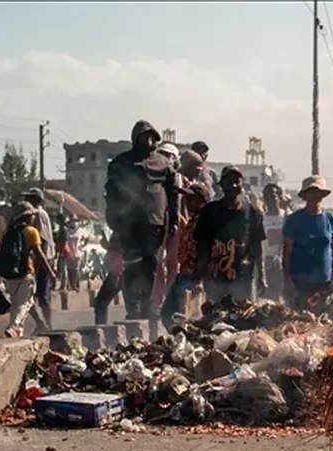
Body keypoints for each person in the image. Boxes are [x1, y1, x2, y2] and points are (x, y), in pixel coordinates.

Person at [105, 120, 178, 321]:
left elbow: (172, 193)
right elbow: (111, 192)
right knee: (131, 264)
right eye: (144, 137)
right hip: (129, 222)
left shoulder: (163, 163)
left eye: (151, 137)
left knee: (151, 264)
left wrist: (173, 219)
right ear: (135, 139)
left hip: (155, 222)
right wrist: (112, 216)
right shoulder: (121, 163)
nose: (148, 141)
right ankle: (133, 307)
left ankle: (147, 305)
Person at [195, 166, 267, 303]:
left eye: (237, 181)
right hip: (215, 277)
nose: (233, 185)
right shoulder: (209, 211)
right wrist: (200, 274)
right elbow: (202, 245)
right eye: (229, 181)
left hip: (243, 278)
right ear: (221, 185)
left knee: (242, 316)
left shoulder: (252, 212)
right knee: (215, 316)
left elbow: (258, 246)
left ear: (242, 184)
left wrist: (262, 275)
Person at [160, 150, 213, 326]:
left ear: (202, 201)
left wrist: (199, 279)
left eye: (192, 199)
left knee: (185, 319)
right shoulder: (190, 220)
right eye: (187, 198)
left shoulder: (204, 223)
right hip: (182, 275)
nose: (188, 202)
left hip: (193, 277)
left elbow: (205, 252)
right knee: (167, 314)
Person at [282, 176, 333, 313]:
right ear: (305, 195)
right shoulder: (294, 220)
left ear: (323, 195)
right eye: (311, 192)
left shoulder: (331, 219)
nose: (315, 195)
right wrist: (288, 282)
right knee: (301, 322)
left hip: (324, 282)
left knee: (322, 323)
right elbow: (287, 253)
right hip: (301, 282)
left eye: (318, 192)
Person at [0, 202, 56, 338]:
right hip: (25, 273)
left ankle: (41, 324)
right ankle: (14, 327)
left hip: (9, 274)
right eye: (31, 215)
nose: (33, 218)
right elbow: (39, 254)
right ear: (26, 217)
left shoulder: (7, 232)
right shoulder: (31, 231)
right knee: (25, 303)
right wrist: (51, 272)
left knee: (21, 302)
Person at [24, 188, 56, 328]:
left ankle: (48, 325)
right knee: (38, 293)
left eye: (29, 198)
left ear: (37, 200)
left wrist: (40, 260)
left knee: (43, 294)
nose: (27, 201)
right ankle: (42, 325)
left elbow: (44, 240)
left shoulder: (39, 214)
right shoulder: (36, 214)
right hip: (40, 258)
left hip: (44, 258)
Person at [261, 183, 288, 301]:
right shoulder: (262, 219)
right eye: (266, 197)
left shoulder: (287, 217)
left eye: (273, 196)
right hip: (267, 263)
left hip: (284, 263)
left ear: (279, 197)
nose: (270, 200)